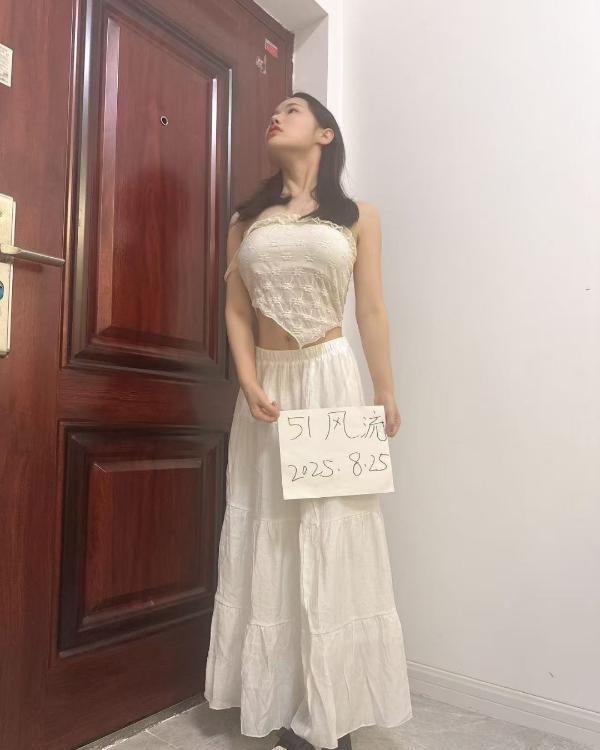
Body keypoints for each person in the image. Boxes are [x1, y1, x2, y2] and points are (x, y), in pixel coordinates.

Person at [204, 92, 412, 750]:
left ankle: (329, 708)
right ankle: (276, 695)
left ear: (325, 133)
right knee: (269, 532)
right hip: (268, 388)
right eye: (275, 110)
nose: (277, 115)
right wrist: (247, 378)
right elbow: (236, 308)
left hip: (331, 379)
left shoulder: (359, 217)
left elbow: (371, 308)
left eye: (292, 109)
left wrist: (385, 389)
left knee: (334, 530)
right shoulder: (246, 221)